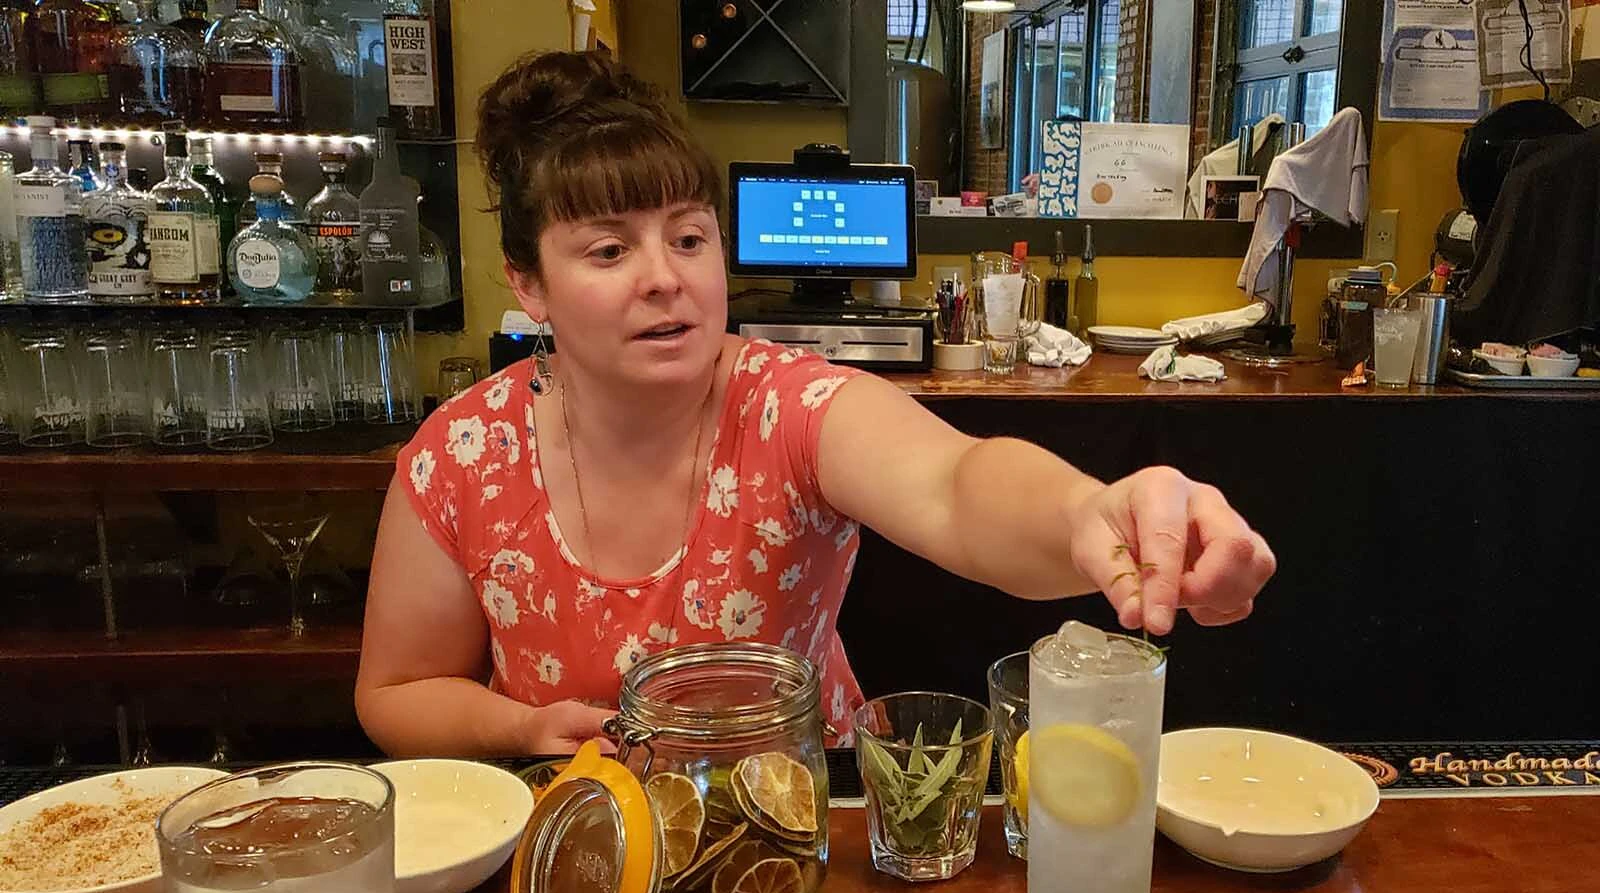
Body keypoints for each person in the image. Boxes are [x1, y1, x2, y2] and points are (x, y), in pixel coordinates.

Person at [354, 51, 1276, 757]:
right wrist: (519, 731)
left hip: (803, 810)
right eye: (607, 252)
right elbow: (396, 691)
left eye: (688, 238)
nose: (664, 280)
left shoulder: (786, 408)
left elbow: (957, 484)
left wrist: (1092, 510)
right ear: (529, 284)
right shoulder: (461, 454)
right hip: (577, 827)